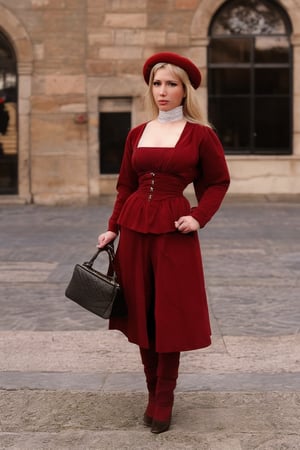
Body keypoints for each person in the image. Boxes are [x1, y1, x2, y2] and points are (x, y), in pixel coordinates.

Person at [97, 52, 230, 434]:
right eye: (157, 83)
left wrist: (198, 216)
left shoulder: (201, 134)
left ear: (185, 90)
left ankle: (164, 397)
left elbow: (218, 182)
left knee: (168, 314)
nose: (163, 91)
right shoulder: (136, 134)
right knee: (139, 311)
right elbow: (125, 184)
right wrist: (112, 228)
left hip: (175, 232)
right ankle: (152, 390)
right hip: (135, 230)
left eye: (171, 84)